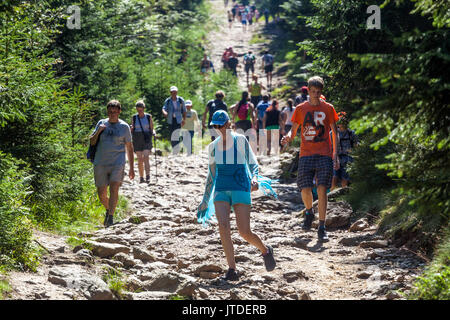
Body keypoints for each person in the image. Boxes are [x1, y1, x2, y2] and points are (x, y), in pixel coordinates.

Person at [197, 110, 277, 281]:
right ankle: (232, 268)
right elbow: (211, 175)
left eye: (221, 125)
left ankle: (265, 250)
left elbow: (253, 164)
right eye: (215, 126)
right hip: (221, 188)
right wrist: (205, 200)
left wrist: (254, 179)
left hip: (241, 186)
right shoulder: (212, 147)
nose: (218, 128)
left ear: (228, 124)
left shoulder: (240, 140)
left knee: (244, 232)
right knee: (223, 227)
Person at [281, 76, 340, 242]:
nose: (315, 94)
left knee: (322, 189)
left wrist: (335, 154)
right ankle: (309, 211)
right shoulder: (300, 108)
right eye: (312, 91)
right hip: (306, 153)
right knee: (304, 188)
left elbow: (335, 133)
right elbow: (293, 132)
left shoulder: (328, 108)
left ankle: (322, 227)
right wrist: (287, 138)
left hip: (324, 154)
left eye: (318, 92)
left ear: (321, 92)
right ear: (308, 90)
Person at [89, 100, 135, 227]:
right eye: (110, 111)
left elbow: (129, 148)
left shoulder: (124, 127)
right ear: (107, 112)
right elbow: (92, 142)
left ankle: (110, 217)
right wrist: (98, 131)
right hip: (100, 162)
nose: (112, 114)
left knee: (114, 188)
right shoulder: (101, 123)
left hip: (117, 163)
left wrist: (132, 168)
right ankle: (109, 209)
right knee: (101, 193)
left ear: (119, 111)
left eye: (115, 111)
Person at [331, 112, 358, 189]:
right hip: (336, 158)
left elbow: (356, 145)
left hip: (348, 158)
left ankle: (343, 194)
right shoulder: (333, 133)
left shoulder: (351, 133)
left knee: (345, 178)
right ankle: (331, 195)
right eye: (339, 120)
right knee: (334, 177)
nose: (341, 123)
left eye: (343, 120)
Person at [131, 100, 155, 184]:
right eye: (138, 110)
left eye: (141, 110)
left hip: (146, 138)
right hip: (137, 139)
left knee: (146, 157)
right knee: (140, 159)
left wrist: (153, 134)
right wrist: (131, 128)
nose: (139, 112)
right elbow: (132, 129)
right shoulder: (134, 117)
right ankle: (141, 177)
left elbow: (151, 128)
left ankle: (148, 176)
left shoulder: (148, 117)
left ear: (144, 109)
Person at [162, 86, 187, 151]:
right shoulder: (168, 101)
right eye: (172, 92)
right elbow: (164, 108)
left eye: (175, 92)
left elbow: (184, 110)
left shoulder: (181, 100)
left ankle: (177, 147)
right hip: (170, 119)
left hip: (178, 119)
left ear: (177, 92)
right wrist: (164, 112)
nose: (174, 93)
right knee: (172, 133)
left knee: (177, 133)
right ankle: (175, 148)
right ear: (170, 92)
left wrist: (184, 119)